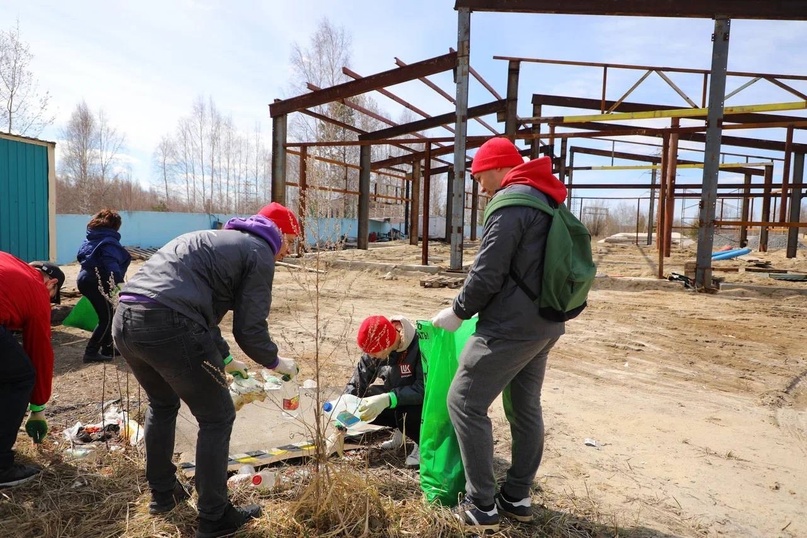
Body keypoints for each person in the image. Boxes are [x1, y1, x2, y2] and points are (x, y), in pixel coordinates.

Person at [111, 208, 299, 538]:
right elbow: (250, 330)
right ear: (279, 235)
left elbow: (204, 316)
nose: (288, 251)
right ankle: (215, 517)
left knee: (163, 404)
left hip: (126, 318)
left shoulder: (217, 242)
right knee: (217, 416)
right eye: (290, 242)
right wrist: (276, 362)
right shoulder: (260, 251)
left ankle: (163, 493)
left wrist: (226, 360)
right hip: (168, 323)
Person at [431, 137, 567, 532]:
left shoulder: (510, 203)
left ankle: (482, 505)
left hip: (509, 327)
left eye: (479, 176)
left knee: (463, 402)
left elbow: (488, 271)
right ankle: (517, 496)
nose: (480, 186)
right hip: (545, 323)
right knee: (525, 408)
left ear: (496, 167)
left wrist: (458, 311)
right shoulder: (546, 198)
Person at [0, 252, 65, 487]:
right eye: (52, 298)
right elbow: (39, 352)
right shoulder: (37, 290)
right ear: (52, 283)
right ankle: (1, 467)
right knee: (20, 376)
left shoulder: (8, 261)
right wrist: (37, 407)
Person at [345, 315, 423, 466]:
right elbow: (357, 385)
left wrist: (388, 399)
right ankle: (402, 431)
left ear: (387, 344)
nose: (371, 356)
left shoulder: (419, 346)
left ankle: (422, 442)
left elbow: (422, 390)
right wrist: (341, 423)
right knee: (363, 401)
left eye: (374, 352)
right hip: (397, 397)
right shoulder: (376, 349)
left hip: (422, 404)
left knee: (405, 410)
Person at [76, 209, 131, 363]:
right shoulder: (109, 242)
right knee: (106, 318)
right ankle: (91, 352)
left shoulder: (91, 239)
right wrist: (120, 287)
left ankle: (107, 347)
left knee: (110, 314)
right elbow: (111, 265)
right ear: (115, 226)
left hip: (85, 279)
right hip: (98, 281)